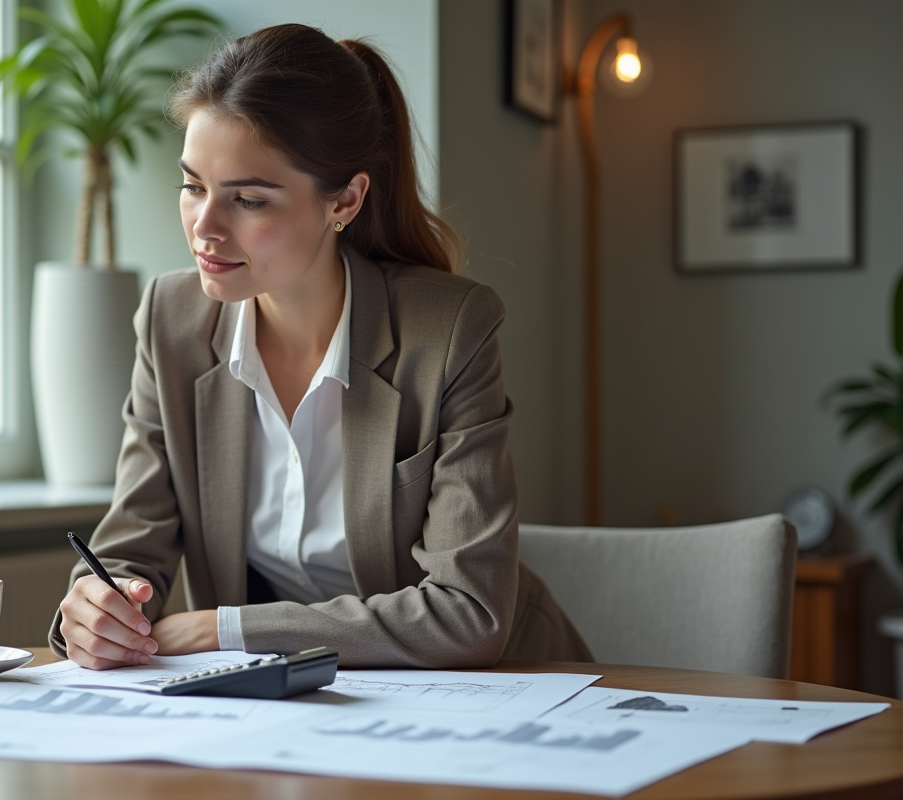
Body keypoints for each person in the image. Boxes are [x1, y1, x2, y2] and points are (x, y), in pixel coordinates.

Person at [50, 23, 591, 670]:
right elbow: (128, 552)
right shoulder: (172, 322)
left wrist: (220, 631)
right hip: (302, 707)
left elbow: (467, 613)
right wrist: (94, 608)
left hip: (505, 693)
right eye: (193, 187)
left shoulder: (450, 332)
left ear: (345, 200)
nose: (205, 228)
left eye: (248, 199)